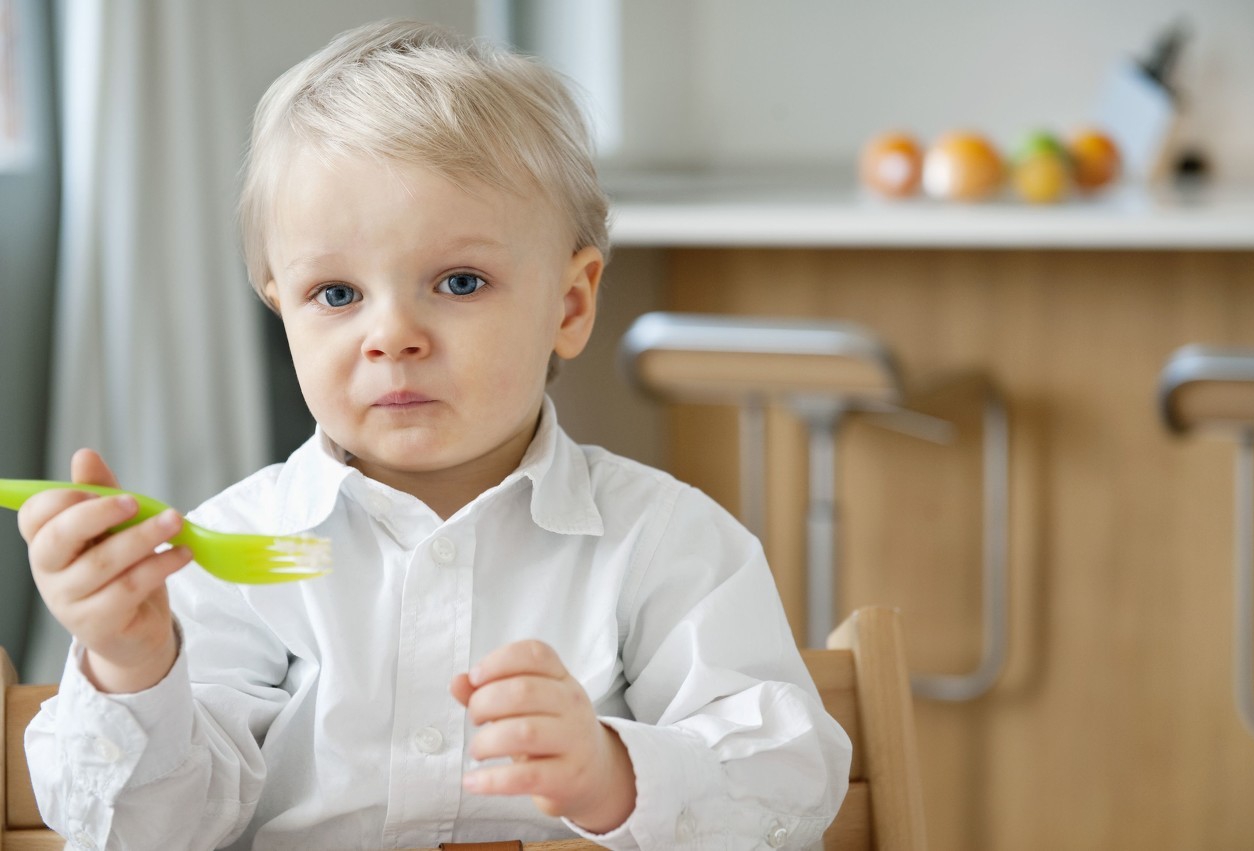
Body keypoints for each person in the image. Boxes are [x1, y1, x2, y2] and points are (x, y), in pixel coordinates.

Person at [20, 20, 852, 850]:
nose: (392, 335)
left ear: (570, 304)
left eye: (459, 281)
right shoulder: (232, 552)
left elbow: (788, 782)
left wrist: (614, 772)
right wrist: (133, 666)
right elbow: (149, 833)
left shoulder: (665, 541)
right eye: (337, 294)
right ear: (283, 311)